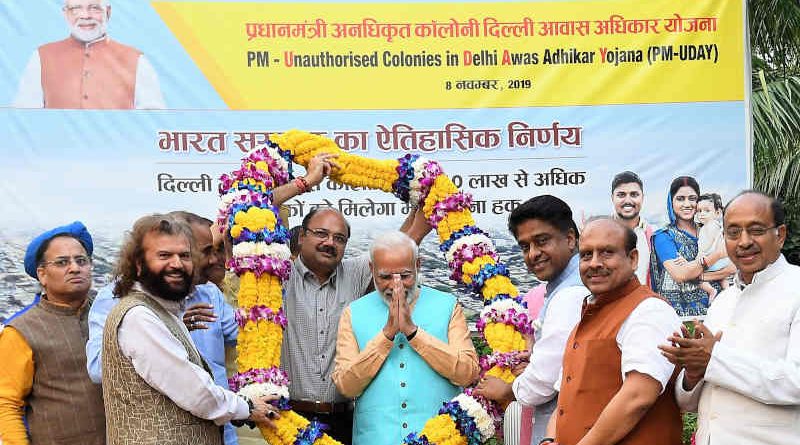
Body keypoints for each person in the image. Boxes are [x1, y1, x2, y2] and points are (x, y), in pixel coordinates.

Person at [258, 152, 432, 443]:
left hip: (346, 420)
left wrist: (424, 192)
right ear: (301, 237)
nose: (330, 243)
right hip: (286, 419)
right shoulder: (275, 273)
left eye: (339, 238)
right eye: (321, 234)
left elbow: (401, 244)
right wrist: (307, 182)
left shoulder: (354, 272)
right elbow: (249, 210)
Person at [101, 214, 275, 444]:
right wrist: (248, 407)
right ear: (138, 263)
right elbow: (195, 393)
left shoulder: (167, 310)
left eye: (184, 255)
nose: (176, 264)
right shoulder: (139, 316)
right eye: (164, 255)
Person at [660, 191, 800, 445]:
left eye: (755, 230)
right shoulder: (724, 300)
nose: (743, 241)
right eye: (733, 233)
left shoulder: (796, 288)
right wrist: (693, 374)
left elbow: (796, 382)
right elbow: (690, 403)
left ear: (780, 235)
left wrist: (714, 359)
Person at [545, 217, 683, 445]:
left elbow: (637, 397)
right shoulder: (588, 316)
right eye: (586, 255)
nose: (595, 263)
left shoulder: (649, 310)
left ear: (633, 258)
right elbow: (566, 400)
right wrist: (550, 439)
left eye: (607, 253)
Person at [332, 231, 479, 445]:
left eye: (405, 275)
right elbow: (346, 386)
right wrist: (387, 335)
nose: (396, 285)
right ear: (372, 270)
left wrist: (413, 333)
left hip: (442, 438)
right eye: (385, 277)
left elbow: (468, 374)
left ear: (418, 265)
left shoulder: (447, 306)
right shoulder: (354, 313)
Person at [474, 195, 587, 445]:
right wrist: (535, 359)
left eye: (541, 241)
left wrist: (508, 390)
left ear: (570, 239)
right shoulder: (566, 286)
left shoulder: (571, 294)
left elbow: (546, 379)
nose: (533, 254)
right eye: (525, 247)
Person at [0, 222, 105, 444]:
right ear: (42, 275)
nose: (75, 268)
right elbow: (6, 405)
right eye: (62, 262)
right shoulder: (21, 331)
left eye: (81, 261)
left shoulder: (110, 315)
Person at [13, 0, 165, 109]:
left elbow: (153, 122)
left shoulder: (137, 60)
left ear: (108, 12)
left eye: (94, 8)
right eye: (76, 8)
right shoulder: (41, 57)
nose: (85, 15)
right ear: (66, 14)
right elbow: (24, 117)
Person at [650, 176, 732, 316]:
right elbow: (681, 274)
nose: (687, 204)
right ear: (671, 201)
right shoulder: (663, 236)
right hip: (680, 313)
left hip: (717, 306)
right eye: (680, 199)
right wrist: (717, 255)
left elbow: (732, 268)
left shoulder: (711, 230)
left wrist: (696, 274)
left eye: (692, 199)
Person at [610, 171, 655, 285]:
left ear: (643, 198)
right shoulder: (600, 233)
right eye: (621, 195)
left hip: (646, 300)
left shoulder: (655, 234)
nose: (628, 201)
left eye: (634, 195)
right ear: (612, 198)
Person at [694, 193, 731, 301]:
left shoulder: (709, 227)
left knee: (695, 277)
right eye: (699, 211)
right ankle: (727, 290)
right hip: (723, 261)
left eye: (707, 211)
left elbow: (706, 245)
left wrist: (699, 255)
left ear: (717, 212)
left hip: (714, 261)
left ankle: (711, 290)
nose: (702, 214)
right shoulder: (717, 225)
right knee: (723, 279)